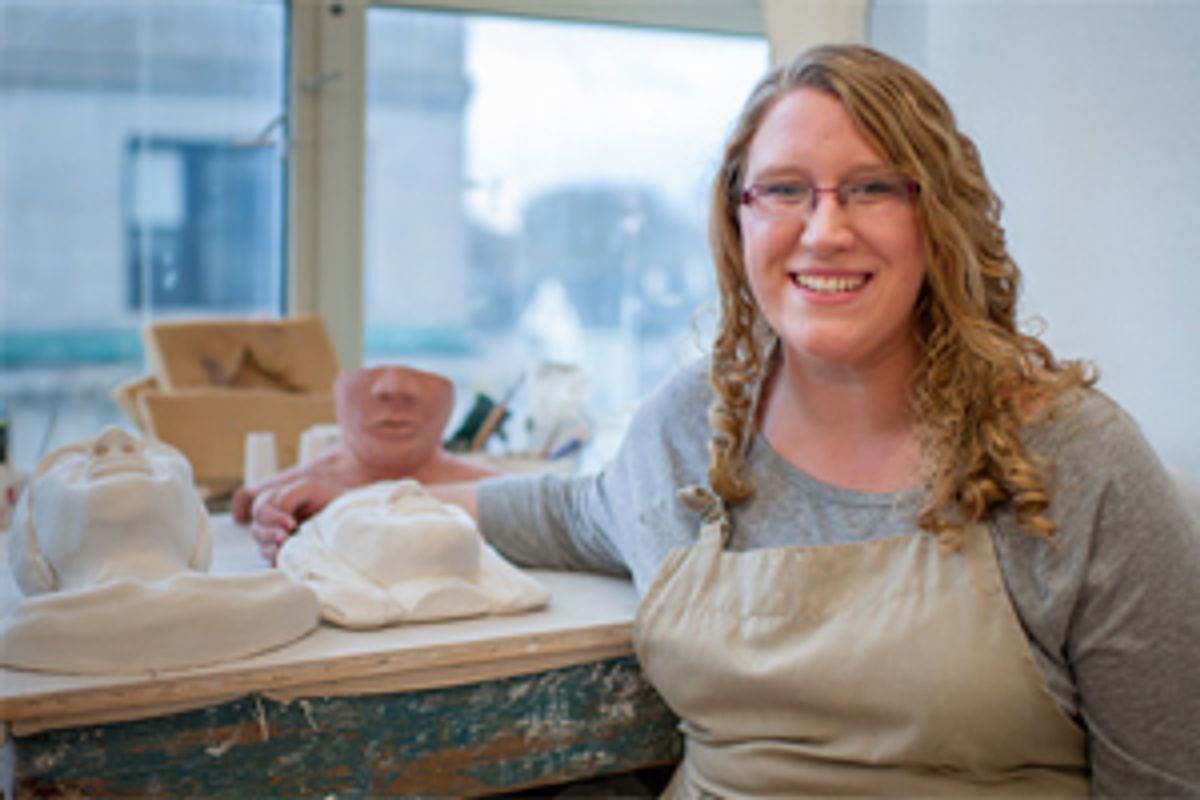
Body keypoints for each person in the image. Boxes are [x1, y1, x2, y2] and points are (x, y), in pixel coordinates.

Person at [250, 45, 1200, 795]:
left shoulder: (1074, 458)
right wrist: (378, 484)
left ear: (938, 219)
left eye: (873, 187)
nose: (824, 229)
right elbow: (577, 511)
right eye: (784, 189)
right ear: (739, 219)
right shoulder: (690, 425)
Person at [234, 364, 495, 562]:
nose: (394, 389)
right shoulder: (294, 492)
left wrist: (352, 502)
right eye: (372, 373)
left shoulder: (496, 492)